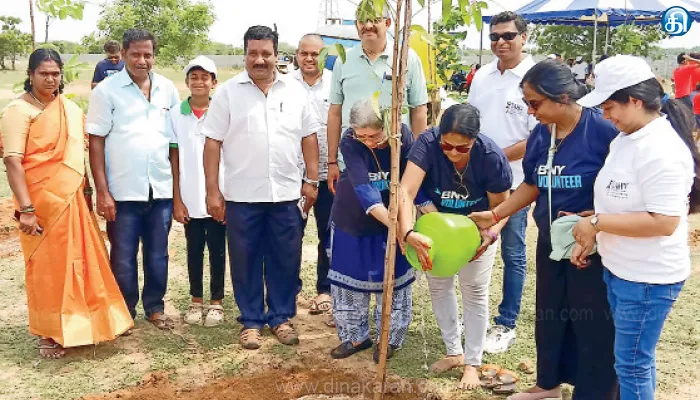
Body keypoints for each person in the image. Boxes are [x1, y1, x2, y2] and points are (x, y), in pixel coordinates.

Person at [471, 59, 620, 400]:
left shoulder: (601, 131)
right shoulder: (541, 134)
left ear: (564, 97)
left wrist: (598, 218)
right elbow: (534, 184)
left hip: (591, 248)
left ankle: (594, 391)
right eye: (525, 103)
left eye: (534, 103)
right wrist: (495, 214)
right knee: (551, 314)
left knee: (592, 322)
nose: (529, 110)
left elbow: (623, 184)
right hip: (552, 241)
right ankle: (548, 385)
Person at [572, 55, 699, 400]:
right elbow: (623, 200)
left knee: (631, 365)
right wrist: (591, 226)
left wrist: (597, 223)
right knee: (634, 360)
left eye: (610, 106)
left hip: (647, 279)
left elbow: (664, 222)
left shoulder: (662, 150)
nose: (605, 115)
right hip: (622, 269)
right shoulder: (627, 138)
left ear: (636, 101)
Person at [0, 48, 133, 359]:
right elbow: (13, 162)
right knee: (48, 269)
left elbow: (77, 157)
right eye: (43, 73)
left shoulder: (70, 110)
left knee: (82, 262)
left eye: (55, 73)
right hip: (42, 205)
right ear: (30, 75)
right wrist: (27, 210)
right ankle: (49, 332)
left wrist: (88, 193)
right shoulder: (17, 111)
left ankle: (85, 323)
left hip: (73, 200)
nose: (50, 79)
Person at [202, 25, 320, 350]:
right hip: (241, 196)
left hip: (286, 195)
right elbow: (212, 143)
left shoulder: (295, 92)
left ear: (276, 55)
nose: (259, 59)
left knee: (286, 259)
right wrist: (213, 191)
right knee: (245, 259)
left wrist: (311, 181)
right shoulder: (227, 93)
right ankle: (251, 321)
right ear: (244, 55)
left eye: (265, 53)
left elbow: (309, 137)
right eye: (253, 53)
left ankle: (281, 317)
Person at [399, 104, 513, 390]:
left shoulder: (490, 156)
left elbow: (503, 207)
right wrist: (407, 232)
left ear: (474, 140)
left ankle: (472, 362)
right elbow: (406, 190)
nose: (452, 153)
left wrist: (491, 234)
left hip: (476, 232)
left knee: (474, 290)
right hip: (436, 228)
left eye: (461, 149)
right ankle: (453, 351)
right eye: (446, 146)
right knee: (439, 286)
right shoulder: (426, 142)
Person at [87, 29, 180, 330]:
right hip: (123, 192)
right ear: (124, 54)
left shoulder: (167, 89)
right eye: (136, 54)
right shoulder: (106, 90)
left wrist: (178, 191)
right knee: (123, 257)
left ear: (155, 56)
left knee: (158, 254)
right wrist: (103, 191)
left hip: (160, 188)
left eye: (148, 55)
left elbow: (175, 142)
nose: (142, 60)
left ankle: (155, 307)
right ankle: (124, 310)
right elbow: (96, 140)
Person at [466, 11, 537, 353]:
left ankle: (506, 322)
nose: (500, 43)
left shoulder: (535, 78)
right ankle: (474, 314)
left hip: (517, 185)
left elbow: (539, 135)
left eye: (508, 36)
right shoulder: (481, 76)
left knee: (512, 252)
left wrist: (493, 160)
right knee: (471, 246)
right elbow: (470, 125)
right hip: (476, 182)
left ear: (524, 37)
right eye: (494, 37)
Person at [328, 99, 415, 363]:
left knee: (394, 282)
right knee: (350, 283)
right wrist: (397, 229)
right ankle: (355, 336)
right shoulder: (349, 142)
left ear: (387, 127)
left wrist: (403, 226)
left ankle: (388, 338)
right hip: (353, 219)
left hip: (397, 214)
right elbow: (366, 192)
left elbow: (409, 183)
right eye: (361, 135)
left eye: (374, 135)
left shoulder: (402, 136)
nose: (368, 141)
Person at [326, 2, 428, 193]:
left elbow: (419, 111)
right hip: (353, 155)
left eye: (375, 20)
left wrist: (419, 162)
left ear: (388, 22)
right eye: (363, 21)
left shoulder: (406, 58)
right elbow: (335, 113)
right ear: (356, 25)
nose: (368, 25)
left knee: (395, 212)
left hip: (396, 157)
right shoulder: (343, 60)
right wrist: (332, 160)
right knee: (356, 212)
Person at [168, 56, 226, 327]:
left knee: (217, 250)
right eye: (194, 77)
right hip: (189, 198)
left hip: (217, 198)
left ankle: (216, 302)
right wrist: (177, 200)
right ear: (187, 82)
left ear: (214, 83)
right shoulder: (176, 114)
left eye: (205, 77)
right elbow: (175, 159)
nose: (199, 82)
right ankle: (195, 300)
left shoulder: (223, 111)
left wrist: (225, 196)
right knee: (194, 251)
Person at [292, 34, 334, 317]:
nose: (310, 59)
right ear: (296, 55)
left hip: (330, 174)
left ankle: (325, 290)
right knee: (291, 235)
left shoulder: (335, 82)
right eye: (304, 53)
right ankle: (289, 290)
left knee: (328, 235)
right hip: (293, 176)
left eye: (315, 53)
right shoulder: (284, 85)